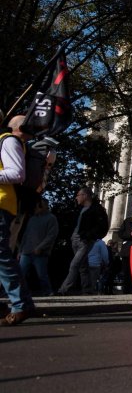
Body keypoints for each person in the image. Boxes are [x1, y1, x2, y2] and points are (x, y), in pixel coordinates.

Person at [0, 115, 37, 325]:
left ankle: (21, 304)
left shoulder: (9, 141)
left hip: (2, 203)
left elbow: (16, 173)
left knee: (2, 256)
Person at [57, 186, 109, 296]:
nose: (76, 198)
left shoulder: (96, 209)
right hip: (75, 239)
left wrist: (89, 236)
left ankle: (64, 289)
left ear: (85, 196)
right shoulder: (79, 209)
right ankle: (87, 289)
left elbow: (102, 226)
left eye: (78, 195)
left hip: (85, 240)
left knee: (75, 264)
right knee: (82, 265)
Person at [18, 198, 59, 297]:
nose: (37, 207)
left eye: (39, 205)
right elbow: (25, 235)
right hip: (26, 251)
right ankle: (19, 293)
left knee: (42, 274)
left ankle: (48, 292)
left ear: (45, 206)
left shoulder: (51, 218)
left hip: (41, 252)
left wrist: (41, 247)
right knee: (20, 274)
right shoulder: (32, 219)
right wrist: (20, 250)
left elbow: (52, 235)